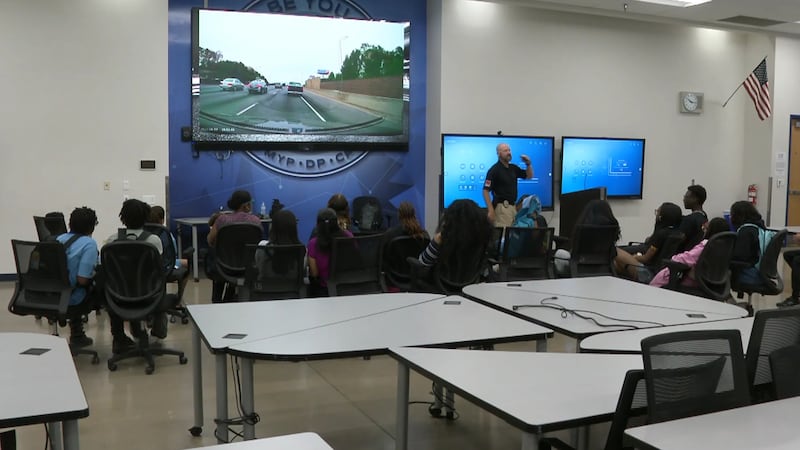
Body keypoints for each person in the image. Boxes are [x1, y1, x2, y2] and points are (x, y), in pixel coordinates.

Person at [103, 199, 166, 353]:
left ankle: (119, 337)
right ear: (146, 217)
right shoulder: (153, 241)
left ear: (122, 218)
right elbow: (159, 270)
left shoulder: (112, 240)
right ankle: (156, 329)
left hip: (118, 296)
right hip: (148, 295)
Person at [553, 199, 639, 276]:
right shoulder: (610, 232)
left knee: (559, 254)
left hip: (578, 269)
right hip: (604, 270)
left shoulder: (583, 230)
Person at [207, 190, 262, 302]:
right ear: (246, 206)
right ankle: (231, 296)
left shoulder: (222, 220)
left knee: (215, 258)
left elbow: (210, 241)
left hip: (223, 266)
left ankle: (216, 300)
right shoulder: (256, 221)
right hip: (247, 267)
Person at [56, 206, 100, 348]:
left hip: (54, 294)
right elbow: (82, 279)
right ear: (92, 227)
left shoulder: (59, 239)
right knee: (104, 290)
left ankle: (77, 331)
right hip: (74, 296)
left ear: (70, 224)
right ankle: (119, 336)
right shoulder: (89, 244)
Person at [650, 217, 731, 288]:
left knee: (661, 277)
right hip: (710, 284)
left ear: (711, 230)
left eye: (705, 229)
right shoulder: (726, 248)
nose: (704, 231)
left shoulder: (707, 245)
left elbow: (685, 259)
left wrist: (673, 258)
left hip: (689, 281)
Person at [419, 199, 492, 271]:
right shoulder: (482, 237)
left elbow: (423, 263)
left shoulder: (441, 237)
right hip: (474, 282)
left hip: (441, 281)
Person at [483, 142, 533, 227]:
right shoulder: (494, 170)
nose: (509, 152)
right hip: (502, 208)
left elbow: (529, 176)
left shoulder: (513, 168)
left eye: (509, 150)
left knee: (513, 235)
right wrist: (490, 210)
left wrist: (528, 164)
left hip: (513, 207)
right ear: (499, 153)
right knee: (504, 234)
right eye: (505, 150)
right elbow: (485, 190)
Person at [307, 208, 353, 297]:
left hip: (325, 291)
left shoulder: (313, 244)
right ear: (336, 222)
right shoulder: (349, 236)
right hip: (348, 288)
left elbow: (314, 273)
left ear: (317, 225)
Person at [730, 200, 767, 287]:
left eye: (732, 214)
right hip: (762, 274)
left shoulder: (745, 232)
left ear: (738, 215)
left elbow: (740, 256)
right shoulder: (759, 227)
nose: (731, 217)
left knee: (715, 273)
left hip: (750, 275)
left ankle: (727, 299)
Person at [678, 184, 708, 250]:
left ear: (695, 199)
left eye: (686, 196)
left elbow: (678, 241)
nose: (684, 199)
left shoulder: (689, 220)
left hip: (685, 256)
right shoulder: (704, 217)